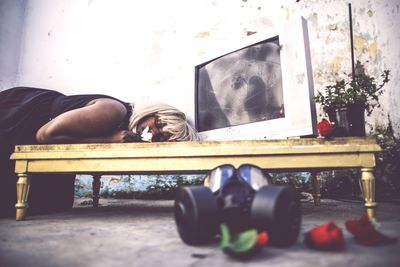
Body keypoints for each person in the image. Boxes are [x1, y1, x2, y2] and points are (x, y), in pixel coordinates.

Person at [0, 86, 199, 217]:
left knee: (55, 204)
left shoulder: (126, 130)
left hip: (36, 128)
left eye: (162, 136)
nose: (153, 133)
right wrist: (109, 140)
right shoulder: (114, 110)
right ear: (153, 111)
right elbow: (44, 135)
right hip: (19, 119)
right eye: (158, 123)